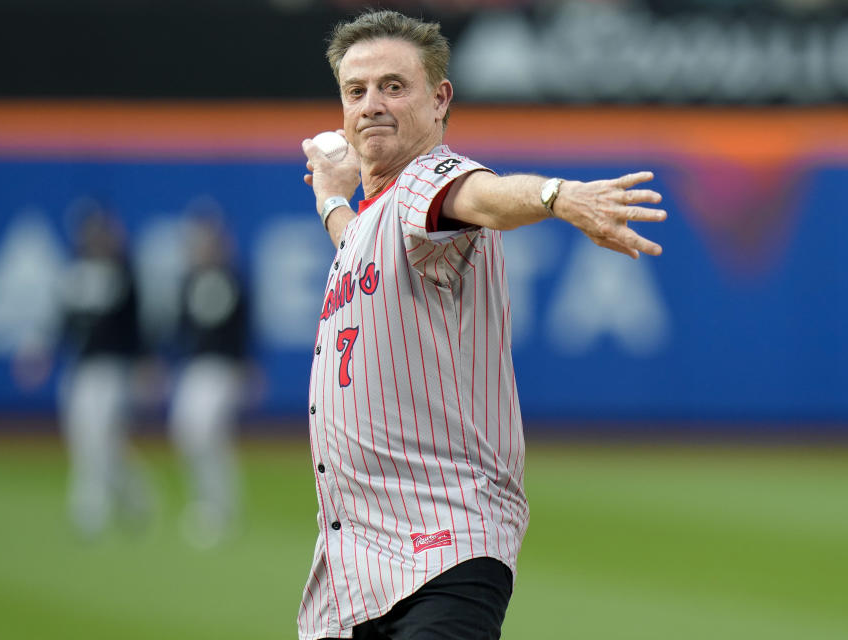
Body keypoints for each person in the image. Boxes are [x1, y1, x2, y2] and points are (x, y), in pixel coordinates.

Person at [298, 10, 666, 639]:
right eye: (355, 91)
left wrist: (556, 197)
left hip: (443, 546)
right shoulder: (375, 222)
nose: (372, 105)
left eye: (393, 86)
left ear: (439, 99)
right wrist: (333, 200)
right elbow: (359, 245)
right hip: (353, 567)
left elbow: (481, 195)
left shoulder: (426, 177)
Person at [16, 200, 152, 539]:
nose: (93, 237)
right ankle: (138, 498)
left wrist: (144, 364)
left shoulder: (123, 271)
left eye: (98, 230)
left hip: (113, 367)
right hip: (80, 367)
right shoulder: (74, 272)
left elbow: (136, 325)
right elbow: (60, 321)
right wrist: (41, 352)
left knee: (100, 436)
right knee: (90, 439)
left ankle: (90, 511)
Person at [168, 207, 251, 548]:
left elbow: (243, 326)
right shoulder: (189, 280)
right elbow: (181, 329)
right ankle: (210, 501)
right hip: (194, 367)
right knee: (187, 434)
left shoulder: (232, 278)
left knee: (205, 432)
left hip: (224, 367)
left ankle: (220, 506)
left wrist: (246, 365)